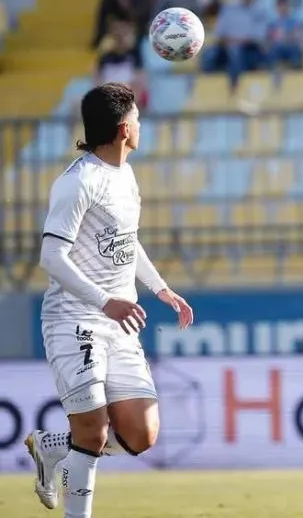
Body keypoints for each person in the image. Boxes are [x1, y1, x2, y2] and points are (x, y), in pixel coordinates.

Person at [23, 83, 193, 517]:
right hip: (74, 318)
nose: (141, 124)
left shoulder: (125, 174)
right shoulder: (78, 183)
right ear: (123, 130)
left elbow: (125, 241)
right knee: (94, 431)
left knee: (142, 433)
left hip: (117, 323)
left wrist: (160, 288)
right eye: (137, 118)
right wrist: (105, 301)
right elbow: (51, 256)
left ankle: (49, 447)